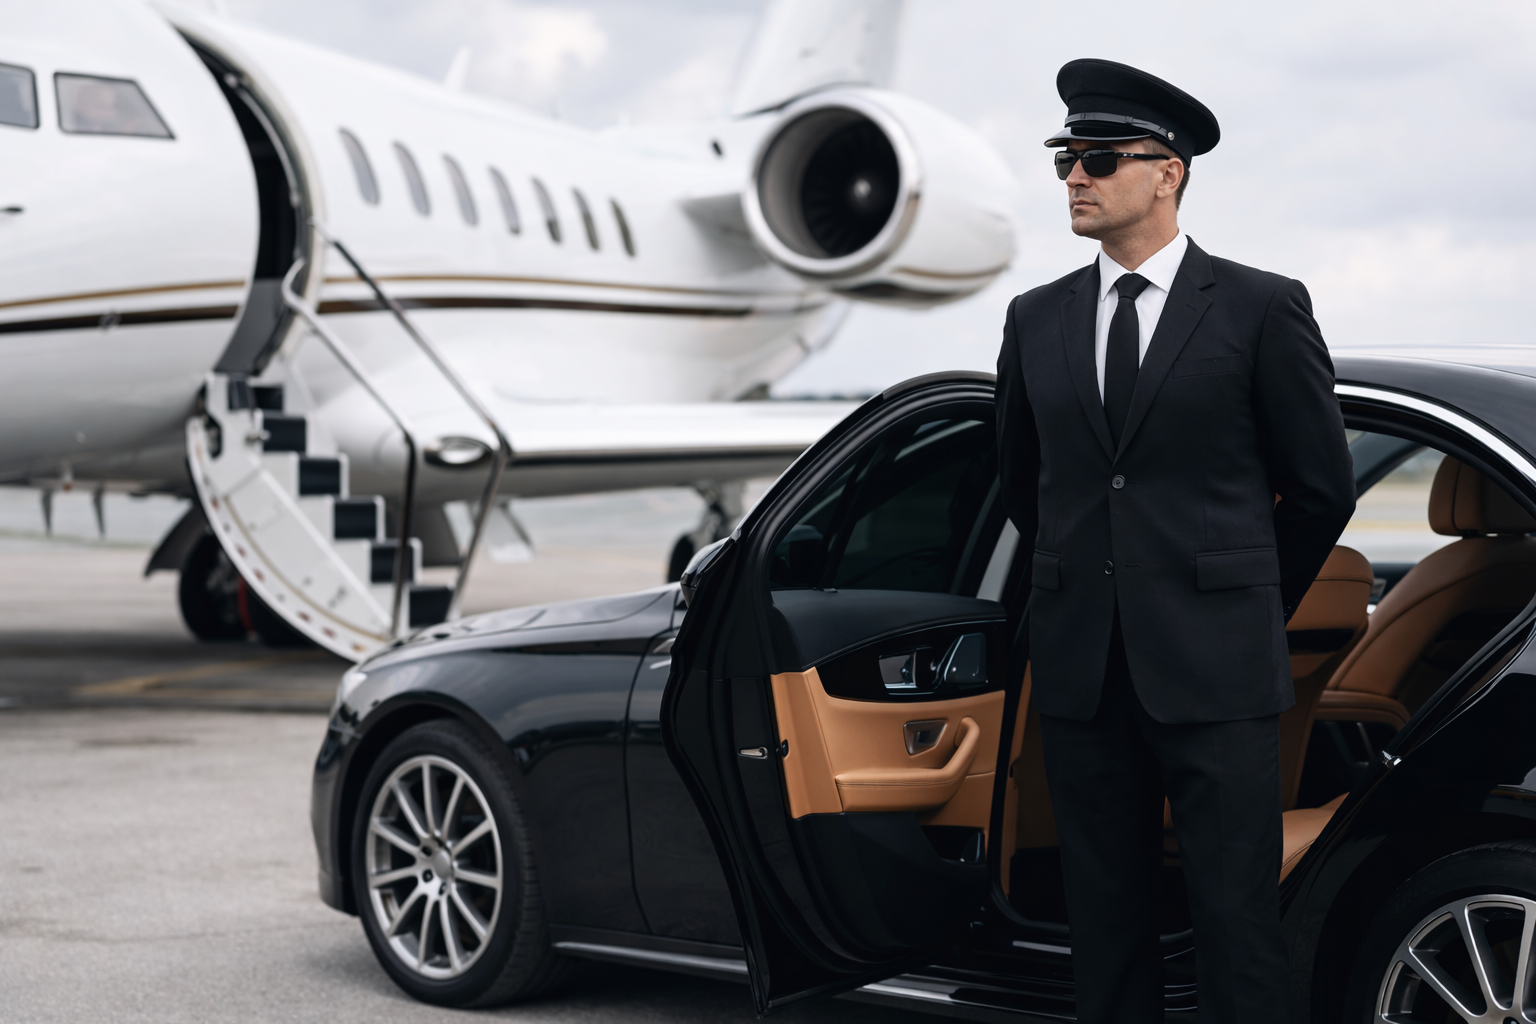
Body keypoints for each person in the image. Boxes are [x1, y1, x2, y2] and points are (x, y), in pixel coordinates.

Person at [994, 58, 1356, 1023]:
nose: (1075, 176)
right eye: (1066, 158)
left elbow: (1322, 489)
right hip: (1083, 672)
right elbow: (1024, 483)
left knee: (1236, 919)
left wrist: (1235, 608)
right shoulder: (1034, 321)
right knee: (1104, 921)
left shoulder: (1260, 307)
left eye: (1099, 158)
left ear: (1169, 171)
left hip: (1219, 672)